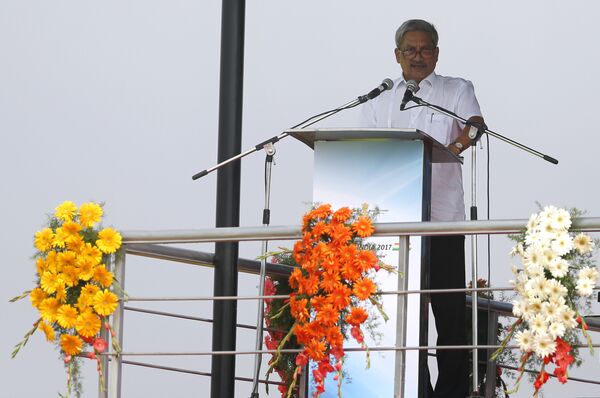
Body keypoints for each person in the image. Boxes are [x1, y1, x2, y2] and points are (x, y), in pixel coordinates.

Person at [360, 19, 485, 398]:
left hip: (442, 221)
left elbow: (475, 125)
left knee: (448, 317)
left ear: (436, 53)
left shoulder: (455, 89)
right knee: (403, 317)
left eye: (425, 48)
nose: (418, 56)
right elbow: (364, 148)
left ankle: (450, 393)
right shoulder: (379, 98)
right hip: (395, 227)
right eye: (409, 50)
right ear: (397, 55)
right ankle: (415, 391)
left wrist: (456, 147)